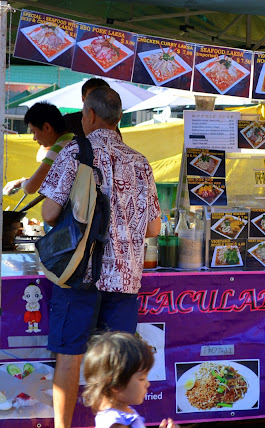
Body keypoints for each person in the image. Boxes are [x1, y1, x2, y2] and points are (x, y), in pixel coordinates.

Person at [40, 87, 162, 428]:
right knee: (118, 362)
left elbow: (49, 213)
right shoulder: (140, 162)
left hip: (80, 272)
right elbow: (153, 226)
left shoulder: (75, 152)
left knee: (70, 355)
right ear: (118, 118)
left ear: (90, 115)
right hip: (124, 279)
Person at [83, 331, 177, 428]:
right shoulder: (115, 423)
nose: (147, 384)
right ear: (115, 384)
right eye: (142, 378)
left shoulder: (124, 413)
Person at [2, 102, 74, 195]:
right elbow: (45, 177)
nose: (34, 138)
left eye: (34, 131)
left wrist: (22, 183)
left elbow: (30, 188)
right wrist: (23, 181)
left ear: (47, 127)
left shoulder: (59, 149)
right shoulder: (72, 139)